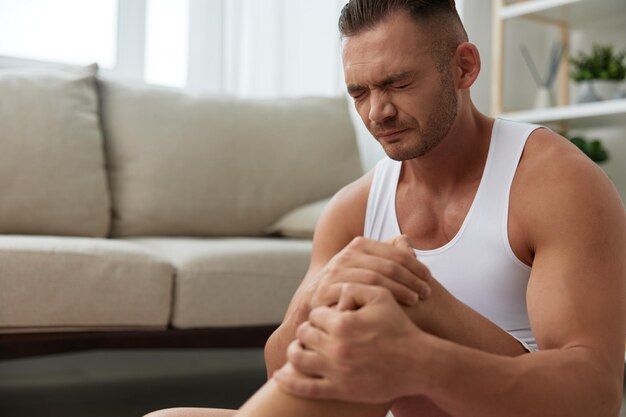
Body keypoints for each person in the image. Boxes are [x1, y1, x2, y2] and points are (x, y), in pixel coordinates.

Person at [146, 1, 626, 416]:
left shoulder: (555, 181)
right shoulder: (353, 209)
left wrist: (420, 357)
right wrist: (312, 305)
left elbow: (595, 398)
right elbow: (282, 372)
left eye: (397, 83)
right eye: (359, 92)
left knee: (388, 292)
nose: (378, 112)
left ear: (463, 68)